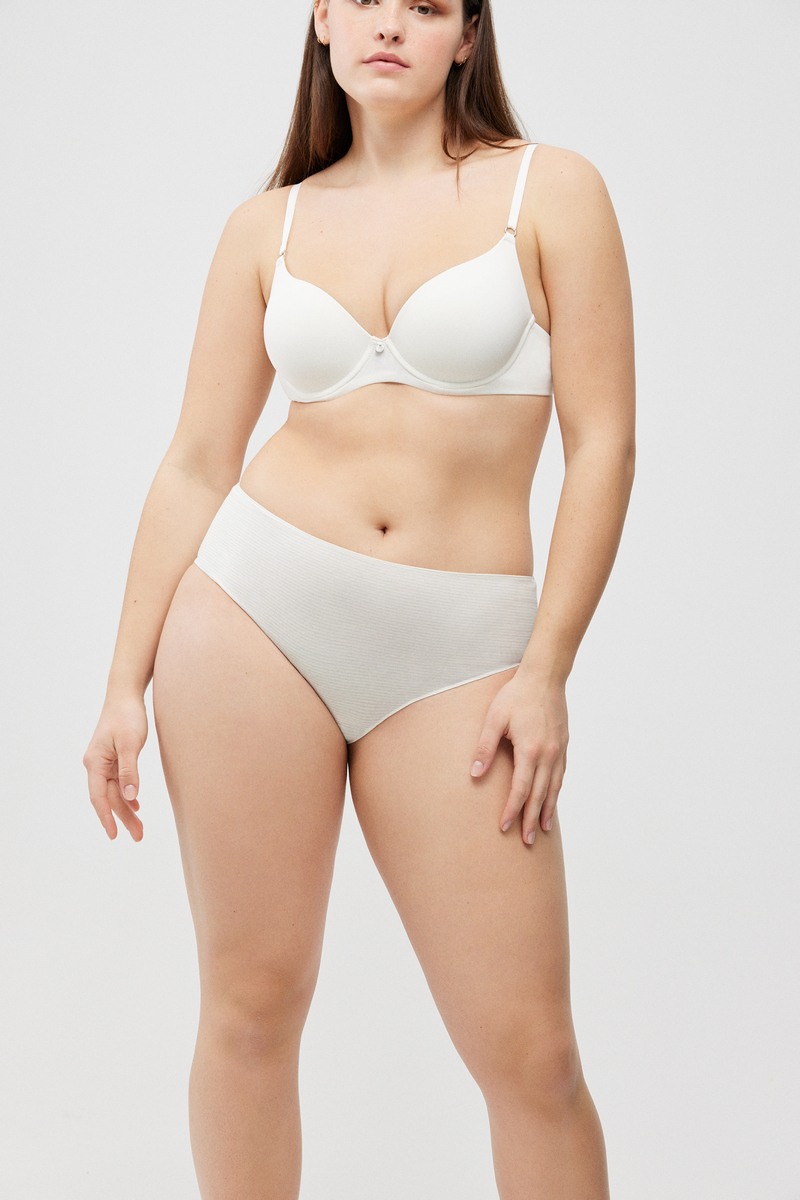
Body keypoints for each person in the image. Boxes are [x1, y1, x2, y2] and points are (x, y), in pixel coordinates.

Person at [83, 0, 635, 1195]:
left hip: (460, 658)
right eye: (366, 1)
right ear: (322, 19)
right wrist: (123, 681)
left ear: (466, 38)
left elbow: (602, 445)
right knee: (249, 1006)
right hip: (252, 620)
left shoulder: (549, 190)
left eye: (425, 7)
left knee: (532, 1058)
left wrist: (545, 671)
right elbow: (196, 462)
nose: (390, 26)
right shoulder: (265, 225)